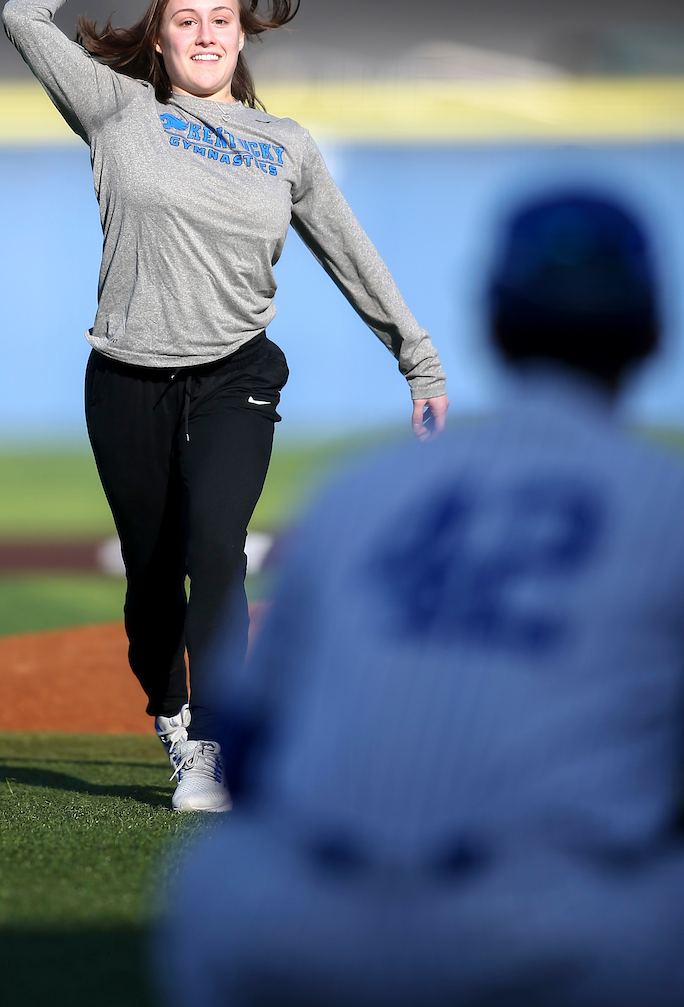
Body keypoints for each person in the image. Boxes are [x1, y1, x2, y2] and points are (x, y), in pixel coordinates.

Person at [158, 189, 684, 1005]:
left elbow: (248, 732)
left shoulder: (360, 489)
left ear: (495, 325)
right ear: (653, 333)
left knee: (222, 871)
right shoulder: (664, 503)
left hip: (295, 923)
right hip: (551, 932)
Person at [2, 0, 448, 813]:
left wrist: (417, 358)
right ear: (159, 40)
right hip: (127, 378)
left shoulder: (286, 146)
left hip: (235, 375)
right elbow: (23, 15)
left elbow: (350, 254)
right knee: (151, 579)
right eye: (186, 20)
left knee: (216, 548)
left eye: (220, 20)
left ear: (243, 36)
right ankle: (170, 709)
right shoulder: (116, 108)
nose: (205, 34)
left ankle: (211, 746)